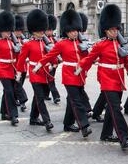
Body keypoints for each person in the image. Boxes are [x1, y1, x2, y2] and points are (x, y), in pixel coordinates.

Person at [78, 4, 128, 149]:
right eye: (112, 30)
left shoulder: (121, 44)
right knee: (116, 108)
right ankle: (124, 136)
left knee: (111, 109)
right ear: (106, 30)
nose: (115, 32)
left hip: (119, 80)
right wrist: (81, 68)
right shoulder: (100, 45)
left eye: (116, 29)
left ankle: (106, 134)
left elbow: (127, 60)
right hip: (107, 80)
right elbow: (89, 58)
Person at [33, 9, 92, 138]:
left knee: (72, 100)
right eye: (72, 31)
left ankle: (68, 123)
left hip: (80, 75)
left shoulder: (81, 43)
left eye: (76, 30)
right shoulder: (61, 44)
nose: (74, 33)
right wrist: (38, 65)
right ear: (67, 31)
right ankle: (84, 125)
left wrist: (86, 66)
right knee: (77, 101)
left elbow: (88, 59)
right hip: (69, 76)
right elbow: (49, 56)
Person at [16, 9, 54, 132]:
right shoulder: (28, 45)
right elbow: (21, 60)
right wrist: (19, 72)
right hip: (35, 73)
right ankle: (47, 120)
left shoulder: (45, 43)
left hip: (45, 72)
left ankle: (33, 118)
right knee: (40, 97)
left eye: (42, 30)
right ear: (33, 32)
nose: (42, 32)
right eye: (39, 31)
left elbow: (50, 56)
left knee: (38, 97)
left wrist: (54, 63)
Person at [44, 15, 61, 104]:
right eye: (48, 30)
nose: (50, 32)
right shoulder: (43, 40)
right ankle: (56, 96)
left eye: (51, 30)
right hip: (47, 64)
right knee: (50, 80)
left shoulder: (54, 39)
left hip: (54, 63)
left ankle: (46, 95)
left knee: (50, 79)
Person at [13, 15, 28, 112]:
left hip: (23, 67)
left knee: (19, 85)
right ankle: (22, 102)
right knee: (18, 85)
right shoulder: (11, 41)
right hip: (14, 67)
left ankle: (16, 100)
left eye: (20, 30)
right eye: (17, 30)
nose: (19, 32)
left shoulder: (24, 41)